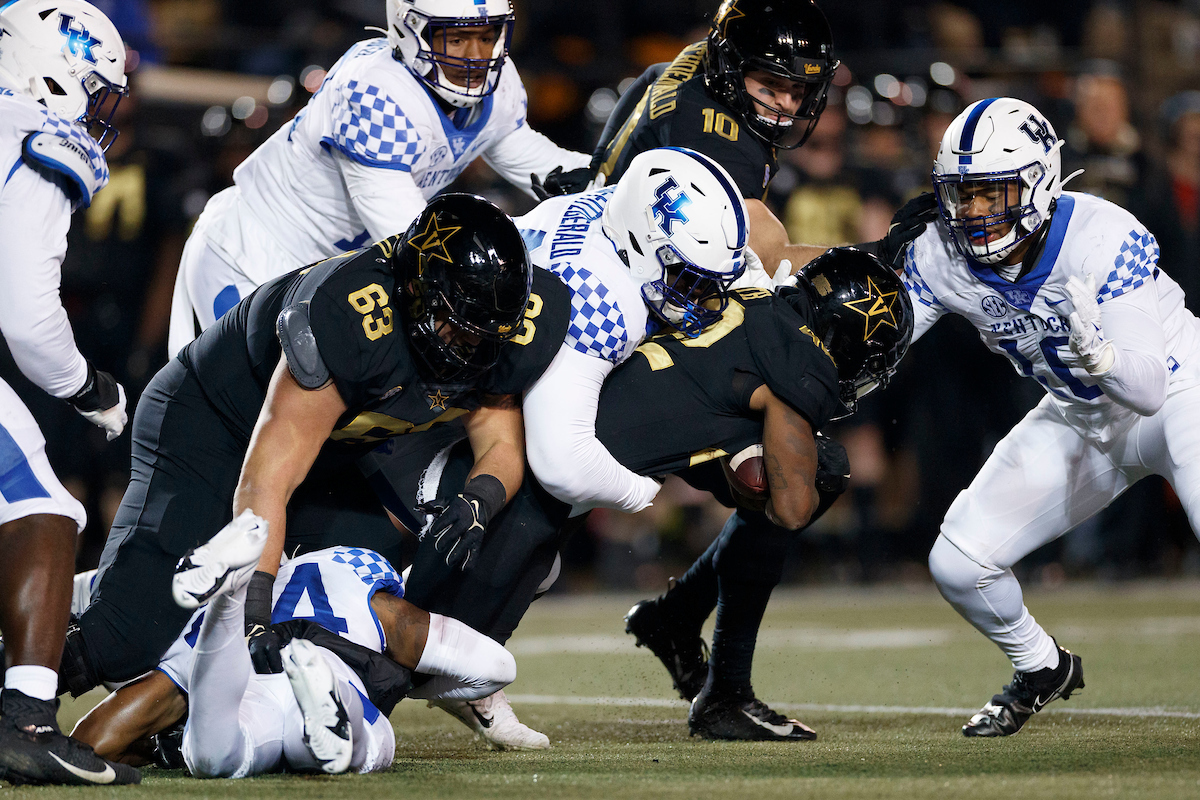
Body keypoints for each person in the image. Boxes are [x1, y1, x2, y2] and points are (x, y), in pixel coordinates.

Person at [366, 248, 912, 743]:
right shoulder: (802, 362)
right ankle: (334, 695)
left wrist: (743, 447)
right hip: (537, 482)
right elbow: (791, 512)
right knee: (413, 653)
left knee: (802, 467)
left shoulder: (754, 295)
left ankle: (680, 621)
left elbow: (707, 400)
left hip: (542, 428)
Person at [58, 193, 569, 700]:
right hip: (210, 427)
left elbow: (500, 439)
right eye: (460, 327)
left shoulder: (491, 325)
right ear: (416, 288)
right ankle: (29, 696)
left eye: (487, 335)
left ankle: (174, 685)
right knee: (125, 640)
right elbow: (268, 481)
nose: (472, 346)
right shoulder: (350, 318)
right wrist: (255, 613)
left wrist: (480, 500)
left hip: (318, 460)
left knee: (370, 573)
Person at [905, 97, 1200, 736]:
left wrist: (1102, 356)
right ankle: (1041, 667)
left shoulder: (1101, 234)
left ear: (1038, 183)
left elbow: (1149, 389)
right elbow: (884, 338)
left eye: (992, 193)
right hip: (1081, 417)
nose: (975, 213)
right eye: (963, 194)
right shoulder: (941, 255)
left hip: (1180, 393)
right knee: (959, 562)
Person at [166, 0, 590, 357]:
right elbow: (412, 237)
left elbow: (533, 158)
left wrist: (603, 183)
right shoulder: (375, 90)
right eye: (458, 39)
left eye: (486, 36)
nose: (476, 56)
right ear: (411, 31)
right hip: (255, 254)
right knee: (242, 411)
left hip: (330, 274)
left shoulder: (498, 83)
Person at [70, 520, 516, 776]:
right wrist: (413, 684)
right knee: (356, 748)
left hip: (241, 676)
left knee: (213, 758)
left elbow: (90, 744)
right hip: (335, 666)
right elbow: (495, 667)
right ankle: (333, 710)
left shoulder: (192, 615)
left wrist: (160, 748)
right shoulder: (353, 574)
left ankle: (229, 600)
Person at [0, 0, 139, 785]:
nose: (96, 111)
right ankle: (25, 718)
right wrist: (86, 386)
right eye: (93, 89)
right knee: (43, 509)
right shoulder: (34, 134)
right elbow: (25, 315)